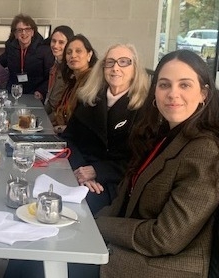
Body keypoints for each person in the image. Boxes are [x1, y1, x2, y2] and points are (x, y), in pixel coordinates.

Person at [93, 49, 219, 277]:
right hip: (133, 248)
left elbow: (164, 237)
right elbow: (125, 200)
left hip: (160, 266)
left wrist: (98, 225)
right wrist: (89, 221)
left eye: (185, 85)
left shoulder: (205, 151)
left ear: (204, 94)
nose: (172, 93)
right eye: (164, 85)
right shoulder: (162, 136)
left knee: (50, 260)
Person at [61, 44, 150, 215]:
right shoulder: (89, 98)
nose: (116, 68)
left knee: (73, 211)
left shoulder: (145, 109)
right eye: (110, 62)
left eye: (124, 62)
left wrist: (97, 171)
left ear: (135, 69)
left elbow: (140, 160)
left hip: (114, 183)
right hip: (78, 172)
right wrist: (80, 169)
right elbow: (68, 138)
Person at [0, 14, 54, 100]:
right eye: (20, 30)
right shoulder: (11, 47)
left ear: (32, 32)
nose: (24, 33)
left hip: (35, 94)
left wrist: (41, 91)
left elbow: (50, 76)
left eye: (27, 29)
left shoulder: (44, 50)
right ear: (15, 34)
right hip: (13, 92)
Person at [53, 34, 98, 133]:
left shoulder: (93, 83)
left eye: (78, 51)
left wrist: (60, 129)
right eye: (69, 52)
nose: (73, 55)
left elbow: (88, 123)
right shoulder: (72, 81)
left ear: (89, 55)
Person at [43, 25, 74, 122]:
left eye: (61, 42)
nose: (55, 46)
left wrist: (45, 121)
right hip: (49, 111)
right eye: (53, 41)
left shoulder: (71, 69)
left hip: (58, 119)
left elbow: (64, 106)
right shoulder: (55, 64)